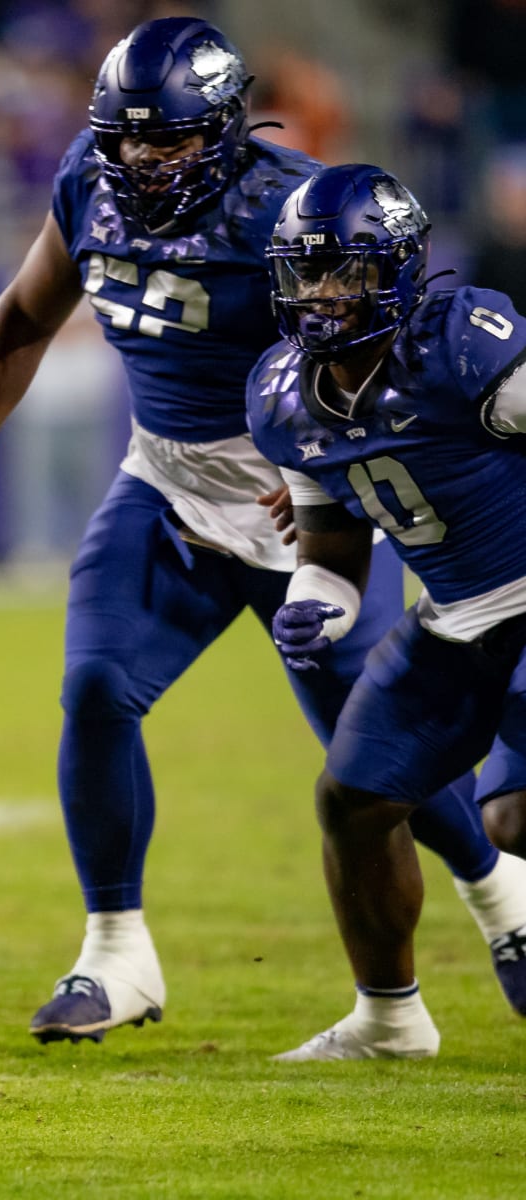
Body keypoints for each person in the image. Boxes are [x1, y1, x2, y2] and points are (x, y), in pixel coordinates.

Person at [0, 17, 526, 1045]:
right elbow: (22, 313)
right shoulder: (85, 185)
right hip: (172, 487)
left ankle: (502, 901)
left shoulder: (300, 211)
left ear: (227, 126)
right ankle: (116, 954)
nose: (145, 158)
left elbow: (383, 359)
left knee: (382, 767)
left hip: (315, 508)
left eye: (172, 138)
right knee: (97, 689)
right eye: (128, 136)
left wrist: (348, 477)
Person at [251, 165, 526, 1059]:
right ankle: (389, 1019)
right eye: (307, 273)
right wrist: (313, 603)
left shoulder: (465, 344)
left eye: (344, 273)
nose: (322, 296)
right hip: (453, 616)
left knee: (512, 819)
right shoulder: (282, 396)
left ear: (397, 272)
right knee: (355, 799)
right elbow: (331, 545)